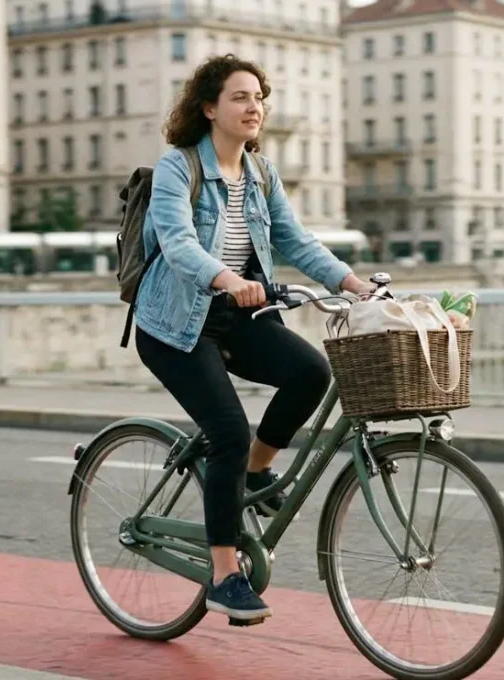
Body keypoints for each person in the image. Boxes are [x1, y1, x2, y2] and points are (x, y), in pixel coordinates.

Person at [132, 54, 375, 621]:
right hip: (175, 323)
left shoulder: (261, 173)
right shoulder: (178, 167)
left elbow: (295, 240)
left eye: (259, 97)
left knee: (311, 371)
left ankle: (257, 470)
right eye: (240, 97)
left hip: (238, 313)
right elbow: (177, 240)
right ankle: (224, 574)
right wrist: (226, 278)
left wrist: (354, 284)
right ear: (209, 108)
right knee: (227, 431)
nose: (254, 107)